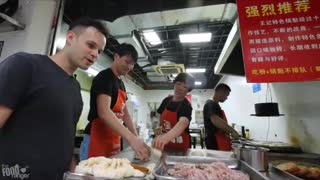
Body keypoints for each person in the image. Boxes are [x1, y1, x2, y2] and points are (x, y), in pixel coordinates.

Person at [0, 17, 108, 180]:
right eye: (91, 45)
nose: (95, 54)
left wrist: (75, 173)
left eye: (99, 51)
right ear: (71, 37)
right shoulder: (25, 65)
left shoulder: (75, 88)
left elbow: (65, 139)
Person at [86, 43, 150, 160]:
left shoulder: (121, 84)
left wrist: (136, 138)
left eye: (132, 64)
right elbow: (104, 112)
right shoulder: (104, 77)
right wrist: (131, 138)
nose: (130, 67)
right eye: (127, 61)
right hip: (96, 138)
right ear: (116, 57)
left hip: (113, 140)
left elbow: (125, 114)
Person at [152, 73, 195, 152]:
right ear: (174, 84)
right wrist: (157, 135)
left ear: (188, 90)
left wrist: (165, 138)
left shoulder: (186, 105)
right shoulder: (166, 101)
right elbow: (157, 119)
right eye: (179, 84)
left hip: (181, 148)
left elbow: (183, 123)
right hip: (165, 146)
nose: (180, 88)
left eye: (185, 87)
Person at [203, 83, 239, 151]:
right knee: (217, 161)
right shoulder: (210, 104)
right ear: (220, 92)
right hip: (214, 140)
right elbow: (215, 120)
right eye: (226, 95)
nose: (226, 98)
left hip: (219, 139)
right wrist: (232, 131)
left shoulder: (215, 104)